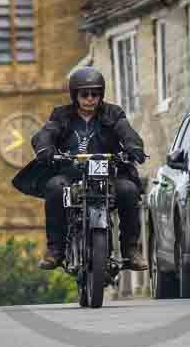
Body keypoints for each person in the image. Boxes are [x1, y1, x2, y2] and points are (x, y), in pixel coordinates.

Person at [13, 67, 148, 271]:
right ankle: (55, 250)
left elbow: (126, 132)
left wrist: (134, 147)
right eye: (85, 94)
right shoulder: (61, 115)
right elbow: (46, 133)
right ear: (75, 95)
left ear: (101, 95)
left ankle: (131, 250)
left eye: (95, 94)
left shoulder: (113, 113)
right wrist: (44, 148)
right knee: (55, 188)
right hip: (70, 175)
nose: (90, 99)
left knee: (129, 190)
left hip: (108, 175)